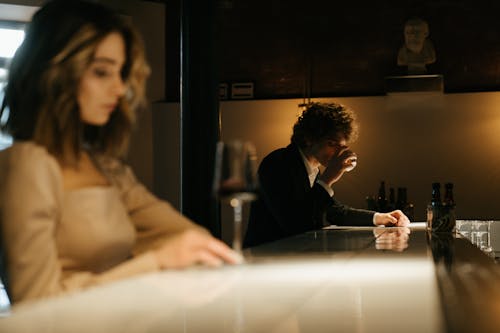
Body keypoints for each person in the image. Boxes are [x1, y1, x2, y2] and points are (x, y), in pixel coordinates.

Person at [0, 0, 241, 304]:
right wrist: (155, 263)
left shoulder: (103, 166)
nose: (119, 89)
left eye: (120, 73)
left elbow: (187, 237)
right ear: (55, 73)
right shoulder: (27, 163)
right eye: (101, 72)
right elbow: (35, 304)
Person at [244, 102, 410, 247]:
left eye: (342, 146)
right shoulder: (278, 163)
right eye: (332, 144)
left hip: (290, 256)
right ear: (309, 138)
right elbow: (298, 224)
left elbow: (335, 211)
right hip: (264, 257)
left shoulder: (311, 167)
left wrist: (381, 217)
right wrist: (329, 177)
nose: (338, 152)